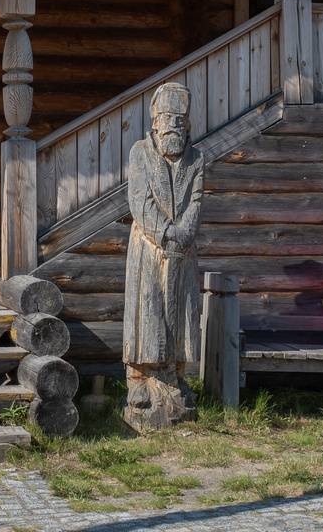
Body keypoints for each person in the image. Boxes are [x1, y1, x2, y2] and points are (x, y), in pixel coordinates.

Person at [122, 82, 206, 430]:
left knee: (182, 314)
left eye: (179, 118)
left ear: (187, 124)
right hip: (149, 250)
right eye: (166, 117)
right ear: (155, 121)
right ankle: (141, 380)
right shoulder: (140, 152)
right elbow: (139, 202)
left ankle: (175, 377)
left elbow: (197, 201)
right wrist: (166, 233)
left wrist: (184, 235)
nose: (172, 124)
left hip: (184, 253)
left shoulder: (196, 158)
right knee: (149, 312)